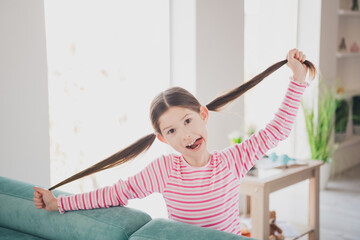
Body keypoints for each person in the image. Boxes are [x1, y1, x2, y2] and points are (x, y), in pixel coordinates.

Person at [33, 49, 316, 235]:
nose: (185, 135)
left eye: (188, 121)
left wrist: (297, 79)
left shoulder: (233, 160)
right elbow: (117, 193)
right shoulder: (165, 170)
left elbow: (277, 130)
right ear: (162, 139)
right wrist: (59, 204)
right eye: (171, 131)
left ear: (203, 115)